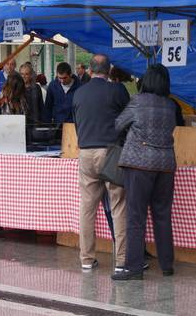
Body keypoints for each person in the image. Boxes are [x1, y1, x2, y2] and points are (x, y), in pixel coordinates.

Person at [111, 64, 178, 281]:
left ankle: (134, 267)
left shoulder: (138, 101)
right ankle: (167, 265)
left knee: (136, 216)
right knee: (162, 215)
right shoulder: (171, 105)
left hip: (139, 164)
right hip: (166, 165)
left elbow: (118, 125)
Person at [72, 54, 130, 272]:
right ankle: (122, 261)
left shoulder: (79, 92)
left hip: (86, 152)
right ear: (109, 71)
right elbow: (128, 120)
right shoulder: (117, 90)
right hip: (111, 152)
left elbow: (77, 124)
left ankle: (86, 259)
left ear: (89, 70)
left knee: (87, 208)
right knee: (118, 206)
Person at [44, 62, 81, 128]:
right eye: (59, 78)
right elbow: (48, 106)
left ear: (70, 74)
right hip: (57, 124)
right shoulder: (52, 86)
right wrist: (47, 125)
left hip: (73, 125)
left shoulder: (80, 87)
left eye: (64, 78)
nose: (62, 81)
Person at [19, 62, 44, 127]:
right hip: (20, 123)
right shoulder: (16, 88)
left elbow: (41, 107)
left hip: (35, 122)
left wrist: (43, 122)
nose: (23, 76)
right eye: (22, 74)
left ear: (30, 75)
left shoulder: (37, 88)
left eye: (26, 74)